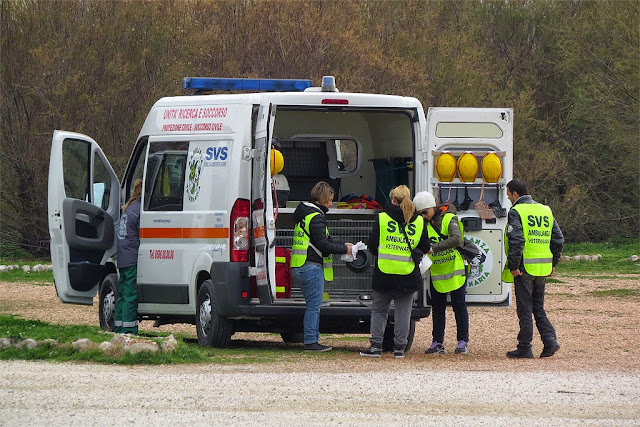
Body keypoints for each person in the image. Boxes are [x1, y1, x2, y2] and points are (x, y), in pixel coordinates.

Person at [360, 185, 430, 359]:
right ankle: (399, 349)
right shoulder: (419, 221)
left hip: (384, 273)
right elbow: (426, 247)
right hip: (407, 274)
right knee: (403, 313)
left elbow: (373, 246)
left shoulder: (382, 218)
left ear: (393, 199)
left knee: (379, 311)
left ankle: (376, 347)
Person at [504, 179, 564, 358]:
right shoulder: (545, 210)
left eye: (508, 194)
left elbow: (516, 241)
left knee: (524, 309)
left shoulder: (516, 211)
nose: (508, 198)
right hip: (542, 268)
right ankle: (550, 341)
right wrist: (553, 263)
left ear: (515, 194)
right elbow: (558, 239)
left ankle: (524, 348)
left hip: (524, 268)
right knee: (538, 308)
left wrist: (514, 266)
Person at [291, 181, 353, 351]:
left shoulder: (305, 214)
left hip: (300, 265)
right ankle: (311, 341)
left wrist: (343, 245)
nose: (331, 203)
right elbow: (324, 245)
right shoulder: (316, 217)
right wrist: (344, 249)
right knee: (314, 306)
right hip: (311, 266)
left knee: (313, 304)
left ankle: (312, 339)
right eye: (330, 200)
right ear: (323, 199)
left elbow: (322, 241)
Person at [414, 191, 470, 355]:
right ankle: (437, 342)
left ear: (432, 207)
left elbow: (456, 239)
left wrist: (433, 248)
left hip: (456, 269)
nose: (423, 216)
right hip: (437, 270)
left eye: (425, 212)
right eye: (420, 213)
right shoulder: (424, 223)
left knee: (459, 306)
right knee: (438, 308)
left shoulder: (449, 218)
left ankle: (462, 341)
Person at [114, 179, 142, 335]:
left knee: (122, 294)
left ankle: (118, 327)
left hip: (122, 256)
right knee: (131, 295)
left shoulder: (128, 208)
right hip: (132, 256)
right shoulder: (139, 210)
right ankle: (129, 329)